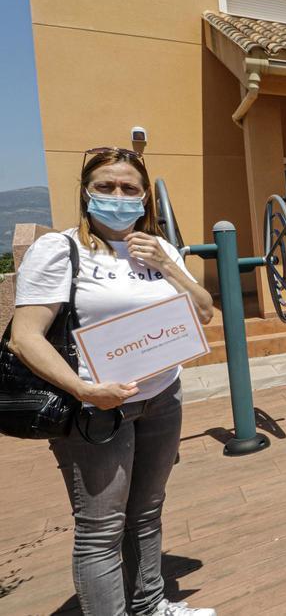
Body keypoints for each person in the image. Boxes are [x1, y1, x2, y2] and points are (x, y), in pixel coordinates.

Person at [9, 147, 216, 616]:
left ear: (145, 198)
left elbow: (204, 309)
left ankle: (149, 604)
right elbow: (25, 338)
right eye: (106, 187)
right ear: (86, 193)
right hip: (96, 408)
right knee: (101, 530)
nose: (118, 197)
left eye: (130, 188)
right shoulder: (60, 249)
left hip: (162, 395)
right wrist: (85, 390)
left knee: (147, 511)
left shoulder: (159, 248)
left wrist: (165, 266)